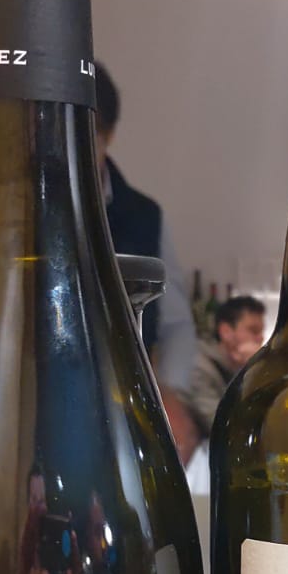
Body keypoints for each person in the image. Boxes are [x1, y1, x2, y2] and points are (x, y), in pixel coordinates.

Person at [93, 63, 202, 464]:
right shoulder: (7, 205)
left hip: (120, 408)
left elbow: (175, 324)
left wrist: (168, 393)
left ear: (108, 135)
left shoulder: (143, 215)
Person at [184, 294, 266, 437]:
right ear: (226, 332)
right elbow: (224, 427)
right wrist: (256, 369)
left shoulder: (235, 366)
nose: (260, 338)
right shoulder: (198, 367)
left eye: (261, 331)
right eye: (253, 330)